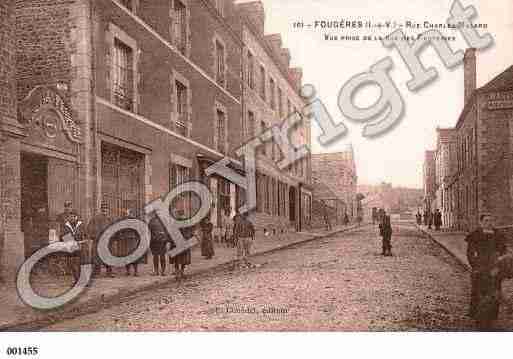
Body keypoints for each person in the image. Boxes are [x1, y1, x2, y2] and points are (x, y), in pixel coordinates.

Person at [465, 214, 508, 330]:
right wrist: (475, 266)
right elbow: (470, 254)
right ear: (481, 222)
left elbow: (504, 252)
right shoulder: (475, 235)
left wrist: (498, 266)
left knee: (494, 292)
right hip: (480, 268)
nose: (488, 222)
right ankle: (478, 318)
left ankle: (491, 317)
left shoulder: (498, 235)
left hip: (494, 268)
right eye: (486, 220)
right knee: (479, 292)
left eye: (490, 220)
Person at [86, 201, 114, 277]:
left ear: (108, 209)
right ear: (101, 209)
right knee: (96, 256)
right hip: (97, 240)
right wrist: (93, 236)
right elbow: (89, 228)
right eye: (103, 208)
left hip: (107, 241)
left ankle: (109, 272)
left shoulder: (110, 218)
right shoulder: (95, 218)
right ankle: (96, 272)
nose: (105, 210)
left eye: (106, 208)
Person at [115, 209, 143, 277]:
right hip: (125, 241)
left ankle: (136, 271)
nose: (129, 215)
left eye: (130, 213)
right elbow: (119, 230)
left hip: (132, 240)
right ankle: (128, 271)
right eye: (127, 214)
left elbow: (138, 231)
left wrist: (138, 239)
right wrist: (120, 236)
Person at [61, 210, 86, 280]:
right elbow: (63, 235)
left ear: (76, 217)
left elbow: (85, 235)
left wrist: (82, 241)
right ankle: (76, 279)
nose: (72, 218)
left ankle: (82, 279)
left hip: (80, 246)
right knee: (72, 263)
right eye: (70, 217)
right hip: (71, 247)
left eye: (73, 217)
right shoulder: (66, 225)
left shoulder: (81, 225)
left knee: (80, 263)